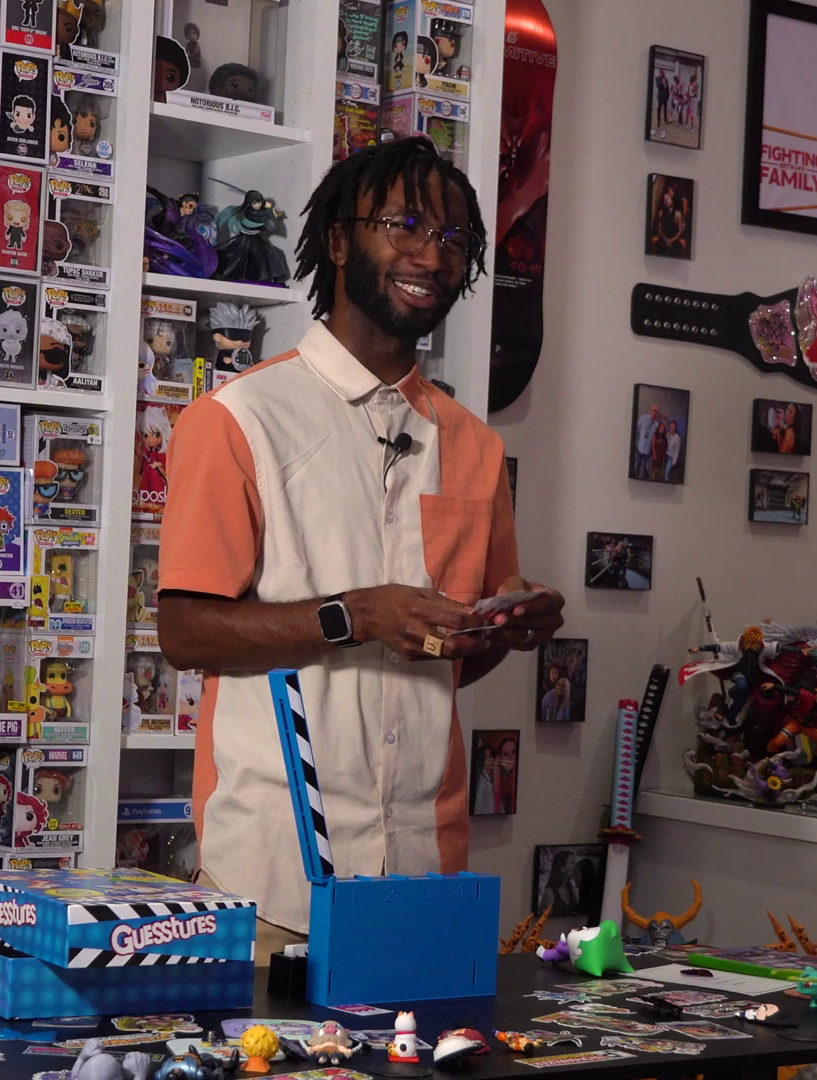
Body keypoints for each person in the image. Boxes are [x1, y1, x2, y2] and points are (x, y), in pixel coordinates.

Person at [157, 139, 564, 961]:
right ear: (341, 241)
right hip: (273, 878)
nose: (432, 257)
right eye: (405, 226)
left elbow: (452, 660)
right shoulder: (238, 419)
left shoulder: (475, 445)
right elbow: (186, 632)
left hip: (425, 872)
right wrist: (358, 616)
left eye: (454, 240)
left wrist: (505, 626)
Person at [635, 404, 660, 477]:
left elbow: (657, 436)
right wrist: (636, 442)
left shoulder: (656, 424)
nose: (654, 413)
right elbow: (637, 430)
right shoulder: (643, 417)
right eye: (653, 410)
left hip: (648, 451)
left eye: (656, 411)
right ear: (650, 410)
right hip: (640, 447)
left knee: (645, 469)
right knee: (637, 466)